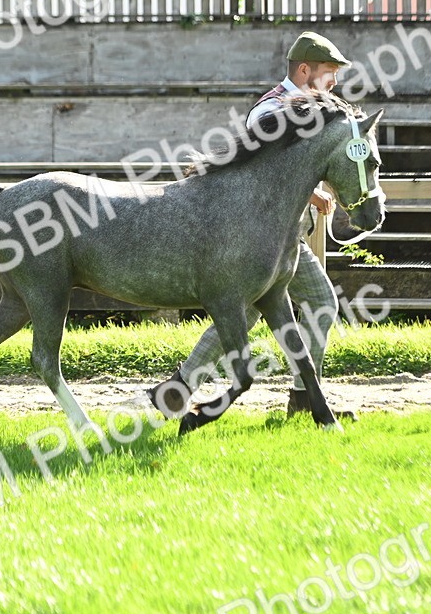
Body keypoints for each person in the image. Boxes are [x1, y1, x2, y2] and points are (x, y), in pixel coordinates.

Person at [148, 31, 358, 422]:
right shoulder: (270, 112)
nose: (335, 83)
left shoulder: (306, 110)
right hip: (257, 240)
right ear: (305, 70)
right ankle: (180, 391)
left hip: (284, 239)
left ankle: (297, 395)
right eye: (329, 73)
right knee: (251, 312)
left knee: (313, 304)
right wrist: (313, 195)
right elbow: (265, 173)